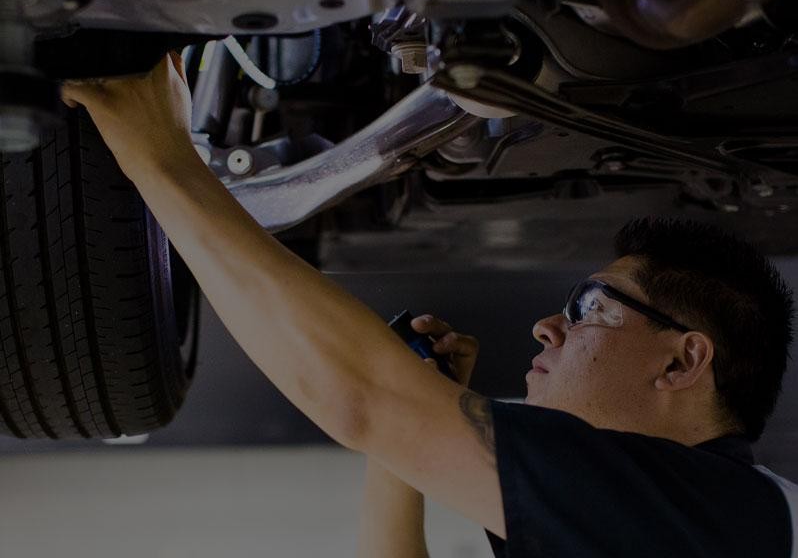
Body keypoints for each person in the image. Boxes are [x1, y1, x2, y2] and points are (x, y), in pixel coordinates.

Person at [62, 53, 798, 557]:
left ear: (684, 358)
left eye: (589, 309)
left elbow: (363, 400)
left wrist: (161, 160)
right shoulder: (702, 519)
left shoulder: (711, 518)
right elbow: (372, 405)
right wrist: (413, 422)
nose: (548, 327)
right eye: (581, 307)